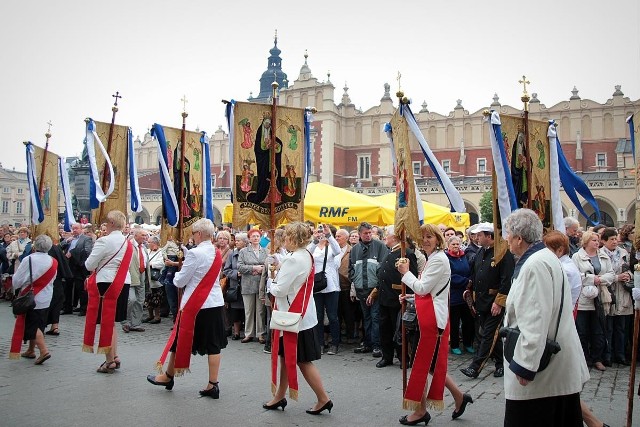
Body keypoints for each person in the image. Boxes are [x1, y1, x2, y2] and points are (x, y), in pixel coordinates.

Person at [502, 209, 589, 426]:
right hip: (553, 367)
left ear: (519, 238)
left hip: (543, 373)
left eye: (508, 235)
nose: (506, 240)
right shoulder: (544, 257)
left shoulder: (535, 264)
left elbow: (534, 317)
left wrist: (525, 365)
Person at [396, 224, 473, 425]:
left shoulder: (438, 259)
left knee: (421, 364)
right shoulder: (434, 258)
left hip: (431, 320)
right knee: (430, 366)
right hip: (428, 315)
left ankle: (420, 411)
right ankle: (459, 396)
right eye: (422, 237)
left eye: (429, 236)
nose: (425, 240)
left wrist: (405, 273)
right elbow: (430, 291)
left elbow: (423, 287)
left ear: (438, 239)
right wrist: (411, 297)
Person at [147, 218, 227, 397]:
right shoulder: (216, 251)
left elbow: (180, 280)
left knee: (179, 338)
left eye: (193, 233)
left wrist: (180, 270)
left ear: (198, 234)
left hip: (196, 303)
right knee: (214, 345)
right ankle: (213, 383)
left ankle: (168, 375)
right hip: (214, 302)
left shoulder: (195, 253)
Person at [262, 222, 332, 415]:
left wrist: (271, 280)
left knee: (302, 360)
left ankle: (323, 398)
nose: (284, 240)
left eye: (286, 237)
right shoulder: (305, 255)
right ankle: (279, 396)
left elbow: (280, 289)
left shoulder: (294, 259)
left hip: (293, 316)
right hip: (300, 314)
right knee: (286, 357)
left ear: (294, 238)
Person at [461, 222, 514, 379]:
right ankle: (501, 364)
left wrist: (499, 302)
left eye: (480, 235)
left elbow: (506, 280)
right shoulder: (480, 252)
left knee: (488, 335)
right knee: (492, 336)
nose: (476, 238)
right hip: (482, 301)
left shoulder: (503, 253)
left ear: (489, 237)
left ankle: (475, 367)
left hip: (494, 302)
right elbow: (476, 274)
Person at [83, 210, 133, 373]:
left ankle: (109, 360)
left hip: (106, 282)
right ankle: (115, 355)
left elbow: (89, 265)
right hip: (122, 282)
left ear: (111, 223)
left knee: (107, 322)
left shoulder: (104, 241)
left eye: (106, 223)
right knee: (112, 323)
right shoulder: (128, 243)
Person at [9, 234, 58, 365]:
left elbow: (17, 280)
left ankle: (43, 351)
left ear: (35, 246)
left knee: (32, 325)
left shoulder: (29, 259)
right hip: (46, 296)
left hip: (31, 296)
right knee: (39, 322)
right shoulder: (53, 261)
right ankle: (31, 350)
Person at [375, 224, 417, 368]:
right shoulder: (390, 251)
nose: (385, 237)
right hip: (384, 297)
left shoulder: (407, 253)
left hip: (397, 298)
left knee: (399, 331)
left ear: (394, 236)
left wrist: (408, 297)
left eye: (387, 234)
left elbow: (413, 276)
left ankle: (403, 357)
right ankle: (387, 357)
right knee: (384, 329)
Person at [572, 230, 615, 371]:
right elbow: (575, 275)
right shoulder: (577, 257)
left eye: (598, 240)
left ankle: (597, 358)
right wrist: (591, 279)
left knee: (599, 331)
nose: (597, 243)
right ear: (586, 242)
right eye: (594, 240)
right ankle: (584, 358)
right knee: (582, 331)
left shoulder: (603, 256)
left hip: (600, 298)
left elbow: (611, 274)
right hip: (583, 300)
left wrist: (599, 280)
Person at [349, 222, 389, 357]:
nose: (368, 235)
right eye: (365, 233)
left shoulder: (380, 247)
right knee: (366, 318)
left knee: (375, 318)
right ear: (360, 234)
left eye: (370, 232)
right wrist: (355, 280)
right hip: (361, 290)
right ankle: (368, 343)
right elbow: (351, 269)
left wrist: (377, 288)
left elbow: (384, 270)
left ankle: (377, 346)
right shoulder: (355, 249)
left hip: (375, 290)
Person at [599, 227, 633, 366]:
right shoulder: (600, 254)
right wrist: (617, 277)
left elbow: (631, 269)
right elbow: (602, 274)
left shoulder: (624, 253)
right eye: (611, 239)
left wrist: (628, 275)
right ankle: (608, 355)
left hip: (622, 293)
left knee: (621, 328)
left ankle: (620, 354)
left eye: (615, 239)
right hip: (609, 293)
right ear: (604, 241)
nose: (614, 242)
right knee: (608, 328)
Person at [308, 224, 341, 355]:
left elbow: (338, 251)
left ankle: (335, 343)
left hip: (331, 284)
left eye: (322, 232)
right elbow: (306, 253)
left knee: (333, 316)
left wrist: (329, 235)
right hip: (317, 285)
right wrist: (315, 240)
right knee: (318, 316)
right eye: (318, 232)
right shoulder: (314, 248)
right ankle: (320, 343)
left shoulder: (331, 247)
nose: (321, 234)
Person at [445, 235, 475, 355]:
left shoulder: (464, 256)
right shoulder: (447, 258)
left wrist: (470, 280)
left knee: (468, 321)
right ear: (448, 246)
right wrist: (465, 281)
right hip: (454, 296)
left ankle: (468, 343)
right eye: (453, 244)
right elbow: (449, 276)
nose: (456, 246)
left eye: (458, 244)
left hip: (466, 296)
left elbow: (470, 271)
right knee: (455, 322)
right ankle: (455, 345)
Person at [238, 228, 268, 343]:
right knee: (249, 310)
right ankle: (248, 333)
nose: (255, 238)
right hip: (248, 284)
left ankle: (260, 333)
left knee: (260, 311)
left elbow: (269, 264)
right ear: (249, 239)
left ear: (260, 238)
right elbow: (240, 266)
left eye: (257, 236)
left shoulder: (265, 251)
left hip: (261, 283)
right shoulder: (243, 251)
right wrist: (253, 268)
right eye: (253, 236)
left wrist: (262, 269)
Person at [60, 223, 94, 316]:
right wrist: (66, 241)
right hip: (68, 265)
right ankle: (67, 307)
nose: (74, 230)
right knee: (67, 287)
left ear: (81, 229)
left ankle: (83, 308)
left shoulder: (86, 239)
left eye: (76, 228)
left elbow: (88, 251)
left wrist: (73, 252)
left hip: (79, 266)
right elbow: (60, 246)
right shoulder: (70, 239)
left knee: (80, 288)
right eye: (73, 228)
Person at [122, 227, 149, 333]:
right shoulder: (128, 245)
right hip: (131, 274)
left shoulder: (144, 247)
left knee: (140, 300)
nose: (145, 237)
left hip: (142, 275)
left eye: (145, 235)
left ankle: (136, 324)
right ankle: (126, 322)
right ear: (136, 235)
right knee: (131, 299)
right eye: (142, 235)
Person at [45, 235, 73, 336]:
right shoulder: (56, 248)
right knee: (57, 303)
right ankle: (55, 326)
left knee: (47, 303)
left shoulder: (41, 251)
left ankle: (41, 325)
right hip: (57, 280)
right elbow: (63, 263)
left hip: (45, 282)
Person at [223, 232, 247, 340]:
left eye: (239, 240)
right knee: (235, 310)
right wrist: (236, 274)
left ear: (245, 242)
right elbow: (227, 270)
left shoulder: (248, 253)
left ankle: (247, 332)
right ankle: (236, 332)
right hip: (235, 285)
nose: (236, 242)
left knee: (246, 310)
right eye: (236, 240)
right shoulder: (232, 254)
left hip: (247, 284)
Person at [143, 235, 166, 325]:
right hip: (147, 278)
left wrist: (150, 264)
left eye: (149, 242)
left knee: (156, 298)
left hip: (156, 279)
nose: (148, 244)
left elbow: (162, 263)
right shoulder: (147, 251)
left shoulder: (161, 252)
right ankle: (150, 315)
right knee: (148, 298)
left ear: (155, 243)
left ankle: (157, 316)